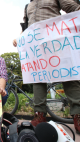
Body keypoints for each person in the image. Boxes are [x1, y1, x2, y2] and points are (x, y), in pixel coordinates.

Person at [13, 0, 80, 133]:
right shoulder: (27, 7)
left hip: (57, 41)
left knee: (69, 76)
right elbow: (26, 27)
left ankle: (78, 114)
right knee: (37, 78)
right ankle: (40, 114)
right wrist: (19, 37)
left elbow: (74, 8)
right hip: (36, 47)